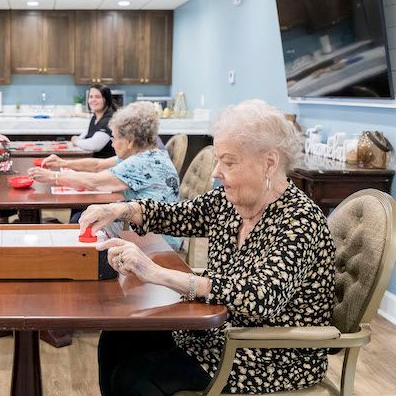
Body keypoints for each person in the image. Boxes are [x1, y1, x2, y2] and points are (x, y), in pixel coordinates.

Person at [79, 99, 335, 396]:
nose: (216, 172)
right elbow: (177, 215)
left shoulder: (299, 220)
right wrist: (122, 210)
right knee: (117, 339)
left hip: (269, 353)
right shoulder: (230, 202)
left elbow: (261, 297)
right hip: (216, 332)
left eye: (228, 162)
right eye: (218, 160)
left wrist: (158, 274)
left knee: (133, 379)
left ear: (269, 163)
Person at [29, 101, 179, 240]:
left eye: (113, 138)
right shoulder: (148, 153)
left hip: (154, 238)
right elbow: (98, 165)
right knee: (80, 219)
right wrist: (64, 162)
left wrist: (53, 176)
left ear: (130, 141)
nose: (112, 144)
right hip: (150, 227)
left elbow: (92, 182)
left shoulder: (140, 162)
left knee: (80, 222)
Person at [71, 84, 116, 158]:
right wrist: (78, 138)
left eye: (98, 97)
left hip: (106, 163)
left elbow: (94, 145)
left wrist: (76, 141)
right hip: (95, 160)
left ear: (106, 99)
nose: (93, 100)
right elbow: (88, 132)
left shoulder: (109, 119)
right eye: (91, 97)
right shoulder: (95, 117)